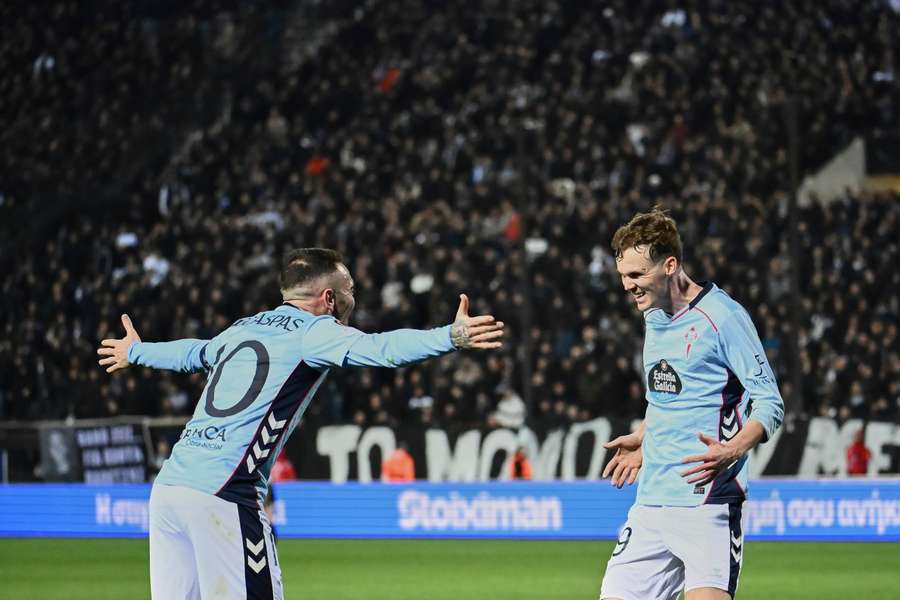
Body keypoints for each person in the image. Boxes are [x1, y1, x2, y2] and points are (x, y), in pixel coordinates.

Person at [96, 248, 504, 600]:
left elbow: (193, 354)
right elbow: (380, 349)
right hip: (224, 493)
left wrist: (138, 351)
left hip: (169, 490)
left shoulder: (242, 328)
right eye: (350, 292)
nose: (352, 300)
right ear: (328, 298)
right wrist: (448, 337)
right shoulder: (316, 332)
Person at [599, 209, 784, 600]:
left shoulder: (724, 317)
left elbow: (769, 402)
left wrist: (733, 450)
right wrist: (643, 438)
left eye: (636, 275)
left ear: (670, 265)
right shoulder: (653, 316)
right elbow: (665, 395)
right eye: (622, 277)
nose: (628, 286)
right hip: (650, 504)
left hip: (708, 504)